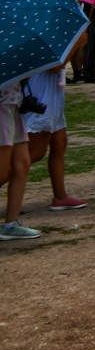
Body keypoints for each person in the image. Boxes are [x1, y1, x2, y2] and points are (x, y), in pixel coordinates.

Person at [25, 63, 85, 211]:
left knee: (59, 143)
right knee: (34, 153)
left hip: (52, 94)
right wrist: (76, 44)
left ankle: (60, 196)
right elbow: (55, 66)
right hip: (41, 94)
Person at [1, 80, 39, 239]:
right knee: (2, 171)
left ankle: (11, 224)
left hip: (15, 102)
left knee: (22, 163)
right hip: (3, 104)